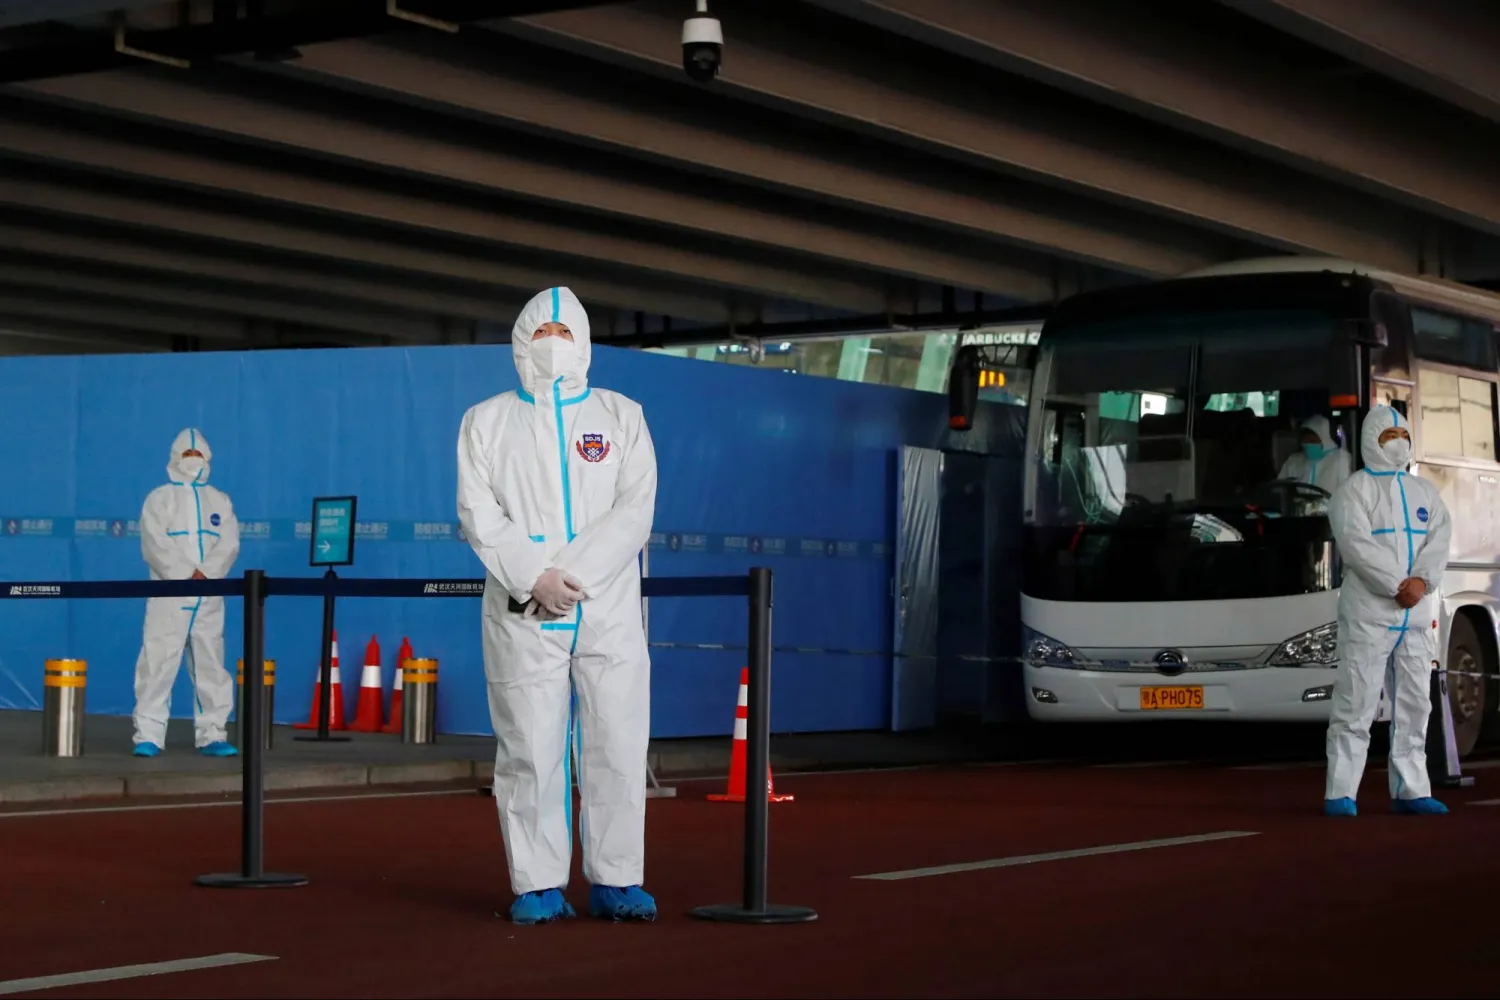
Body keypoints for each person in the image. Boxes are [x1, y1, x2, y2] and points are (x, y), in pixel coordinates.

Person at [456, 286, 659, 925]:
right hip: (524, 612)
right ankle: (537, 882)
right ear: (520, 342)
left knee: (618, 741)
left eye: (563, 333)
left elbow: (636, 510)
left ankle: (617, 878)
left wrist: (568, 575)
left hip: (609, 608)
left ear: (585, 342)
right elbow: (477, 512)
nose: (552, 345)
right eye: (541, 334)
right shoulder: (485, 422)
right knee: (529, 745)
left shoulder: (621, 415)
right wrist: (530, 576)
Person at [1324, 405, 1451, 816]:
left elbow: (1440, 538)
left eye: (1402, 434)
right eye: (1387, 436)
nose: (1398, 443)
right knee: (1356, 702)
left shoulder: (1423, 492)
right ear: (1369, 441)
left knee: (1416, 705)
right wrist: (1399, 584)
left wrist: (1422, 582)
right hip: (1370, 615)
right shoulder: (1354, 491)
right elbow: (1356, 546)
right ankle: (1341, 792)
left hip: (1413, 619)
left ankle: (1412, 789)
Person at [132, 428, 241, 758]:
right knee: (158, 663)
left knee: (211, 666)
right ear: (175, 458)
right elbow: (155, 544)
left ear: (207, 459)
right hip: (170, 596)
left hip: (209, 596)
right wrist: (183, 575)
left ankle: (212, 733)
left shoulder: (219, 500)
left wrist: (205, 574)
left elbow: (229, 543)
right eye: (187, 455)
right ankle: (148, 735)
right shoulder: (159, 499)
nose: (193, 461)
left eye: (199, 455)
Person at [1276, 414, 1351, 495]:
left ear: (1325, 439)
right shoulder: (1294, 461)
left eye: (1313, 442)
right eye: (1305, 442)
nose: (1308, 446)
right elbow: (1279, 489)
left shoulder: (1341, 459)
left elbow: (1347, 493)